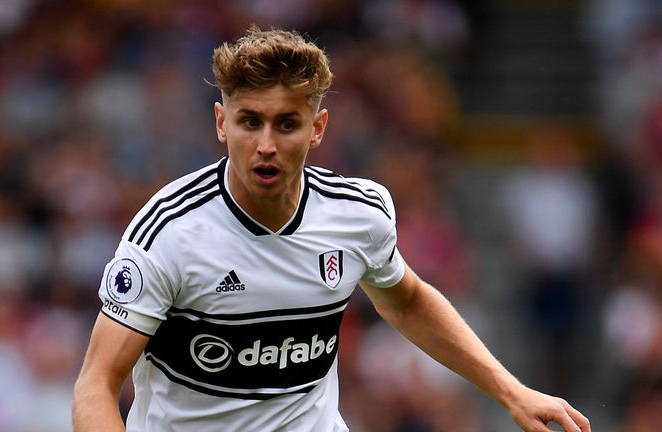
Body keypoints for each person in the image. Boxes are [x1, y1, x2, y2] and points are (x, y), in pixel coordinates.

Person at [71, 26, 591, 432]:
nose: (266, 144)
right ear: (220, 123)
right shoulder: (170, 231)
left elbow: (406, 300)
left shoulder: (358, 214)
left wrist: (511, 391)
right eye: (250, 121)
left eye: (287, 124)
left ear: (317, 128)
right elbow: (96, 382)